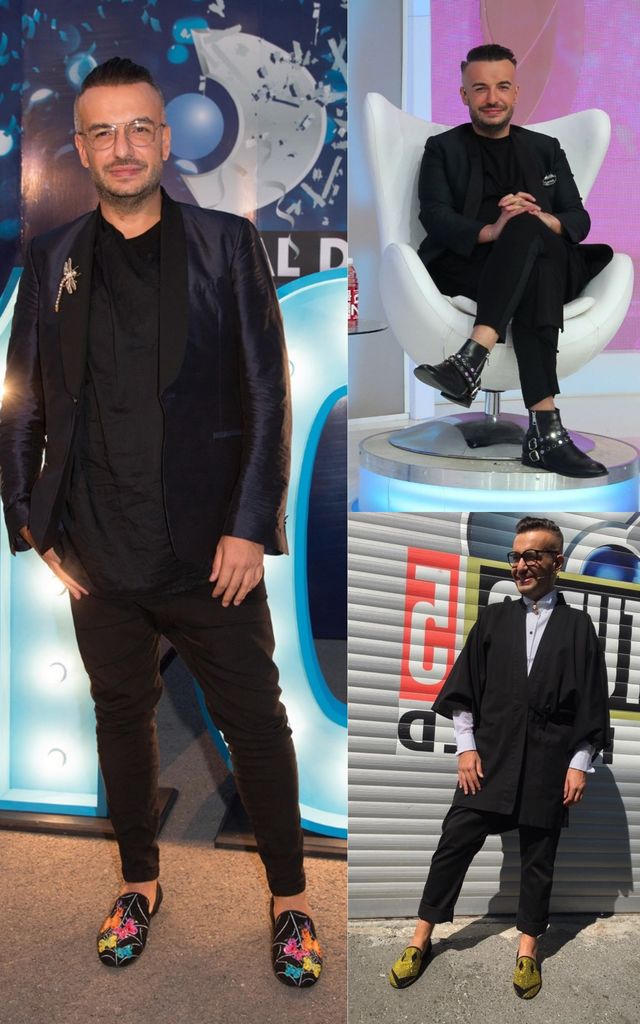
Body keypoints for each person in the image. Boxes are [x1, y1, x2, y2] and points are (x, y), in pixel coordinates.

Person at [0, 57, 323, 987]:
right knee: (120, 719)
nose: (122, 147)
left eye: (139, 128)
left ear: (165, 138)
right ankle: (139, 882)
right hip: (96, 551)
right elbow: (23, 399)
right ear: (82, 148)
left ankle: (291, 899)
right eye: (103, 132)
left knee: (254, 724)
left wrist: (249, 526)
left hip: (212, 554)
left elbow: (267, 392)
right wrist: (31, 524)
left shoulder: (225, 243)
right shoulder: (53, 256)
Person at [388, 516, 610, 999]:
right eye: (516, 556)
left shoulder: (578, 627)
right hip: (490, 760)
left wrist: (579, 763)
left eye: (533, 555)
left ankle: (528, 949)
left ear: (557, 561)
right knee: (453, 844)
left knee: (539, 861)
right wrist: (466, 748)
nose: (521, 565)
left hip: (548, 765)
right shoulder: (493, 619)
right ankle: (421, 938)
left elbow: (592, 704)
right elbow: (465, 689)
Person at [414, 44, 614, 478]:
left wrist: (539, 219)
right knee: (534, 265)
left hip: (551, 259)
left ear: (516, 92)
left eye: (502, 86)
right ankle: (546, 433)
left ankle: (472, 356)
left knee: (529, 228)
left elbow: (578, 218)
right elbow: (435, 214)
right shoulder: (442, 149)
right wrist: (493, 229)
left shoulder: (546, 149)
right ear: (464, 95)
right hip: (473, 267)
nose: (493, 98)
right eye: (480, 88)